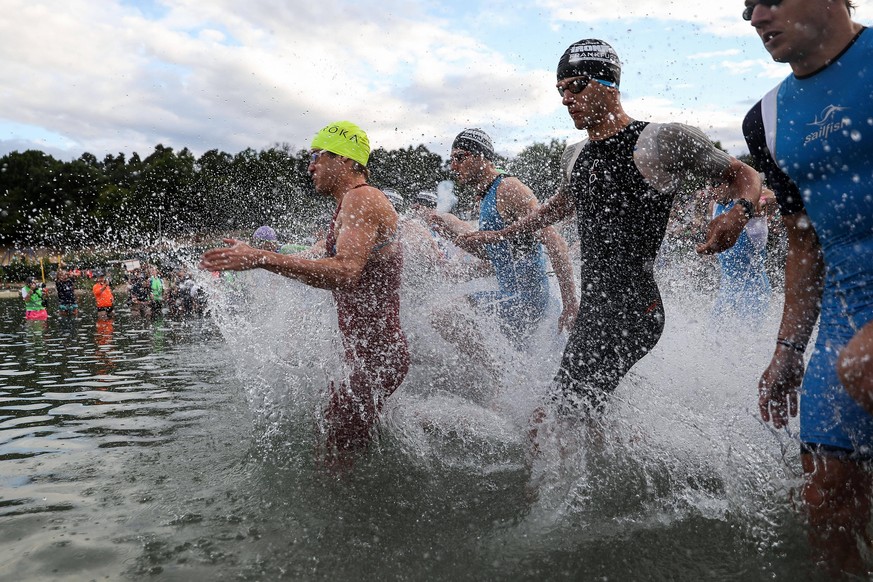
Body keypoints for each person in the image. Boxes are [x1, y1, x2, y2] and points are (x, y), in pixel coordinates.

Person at [460, 39, 761, 416]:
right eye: (560, 90)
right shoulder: (575, 155)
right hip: (596, 308)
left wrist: (740, 210)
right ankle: (627, 463)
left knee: (554, 417)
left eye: (576, 86)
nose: (567, 98)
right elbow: (559, 206)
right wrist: (501, 235)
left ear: (609, 84)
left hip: (635, 309)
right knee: (580, 414)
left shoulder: (660, 140)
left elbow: (743, 174)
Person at [741, 0, 873, 574]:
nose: (754, 17)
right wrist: (788, 349)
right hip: (845, 325)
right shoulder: (765, 120)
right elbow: (802, 241)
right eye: (746, 7)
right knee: (826, 504)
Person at [200, 120, 409, 457]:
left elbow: (345, 272)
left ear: (344, 160)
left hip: (376, 357)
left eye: (317, 156)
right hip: (367, 356)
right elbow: (311, 257)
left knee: (333, 456)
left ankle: (343, 507)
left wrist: (261, 259)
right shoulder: (346, 208)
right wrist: (258, 253)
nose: (310, 166)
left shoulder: (362, 199)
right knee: (338, 442)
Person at [426, 129, 578, 363]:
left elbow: (555, 243)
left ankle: (500, 374)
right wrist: (453, 237)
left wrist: (570, 303)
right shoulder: (486, 195)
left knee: (442, 315)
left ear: (481, 157)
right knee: (444, 315)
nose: (454, 166)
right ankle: (508, 375)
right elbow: (496, 255)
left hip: (526, 300)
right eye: (452, 159)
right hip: (510, 297)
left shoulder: (508, 188)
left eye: (460, 157)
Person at [707, 185, 771, 324]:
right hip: (727, 294)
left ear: (730, 182)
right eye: (710, 184)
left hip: (754, 294)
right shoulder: (714, 206)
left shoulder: (749, 203)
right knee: (712, 337)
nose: (712, 188)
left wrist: (762, 201)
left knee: (747, 341)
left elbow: (773, 195)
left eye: (716, 184)